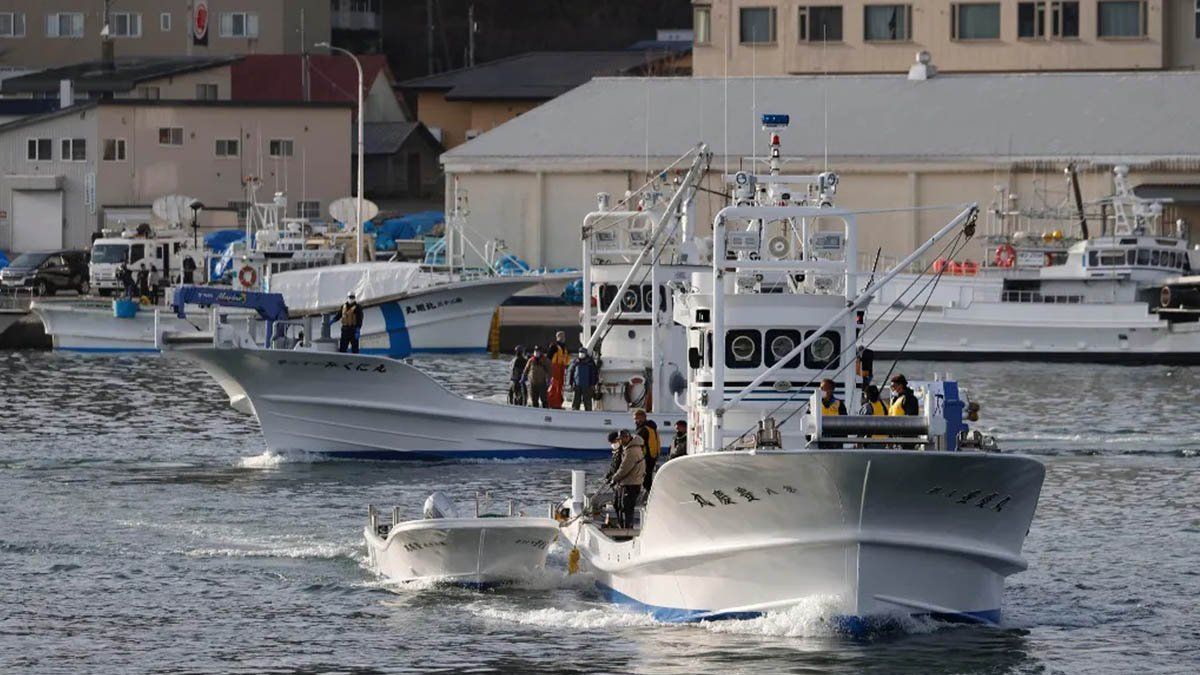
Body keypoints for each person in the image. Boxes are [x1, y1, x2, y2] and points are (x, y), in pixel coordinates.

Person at [607, 429, 645, 530]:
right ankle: (625, 527)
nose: (621, 441)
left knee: (627, 507)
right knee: (622, 506)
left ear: (627, 437)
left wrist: (614, 478)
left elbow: (624, 468)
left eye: (622, 439)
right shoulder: (629, 448)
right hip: (628, 482)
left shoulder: (631, 451)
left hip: (631, 483)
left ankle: (627, 530)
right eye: (619, 439)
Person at [632, 409, 661, 495]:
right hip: (652, 457)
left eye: (637, 418)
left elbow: (637, 444)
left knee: (645, 480)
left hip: (645, 458)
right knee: (648, 478)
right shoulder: (652, 428)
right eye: (635, 419)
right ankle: (650, 494)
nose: (636, 421)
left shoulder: (643, 429)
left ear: (644, 417)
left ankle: (649, 496)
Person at [817, 379, 846, 449]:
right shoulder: (815, 402)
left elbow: (845, 422)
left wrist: (842, 439)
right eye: (820, 388)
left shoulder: (840, 404)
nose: (820, 389)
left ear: (830, 390)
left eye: (822, 388)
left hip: (835, 441)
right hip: (819, 440)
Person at [546, 331, 570, 409]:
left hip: (562, 368)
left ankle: (558, 404)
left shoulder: (564, 347)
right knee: (553, 385)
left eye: (564, 336)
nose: (563, 338)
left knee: (560, 386)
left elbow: (566, 359)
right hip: (554, 368)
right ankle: (551, 403)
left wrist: (567, 366)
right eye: (561, 336)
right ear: (557, 337)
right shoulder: (554, 346)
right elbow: (548, 358)